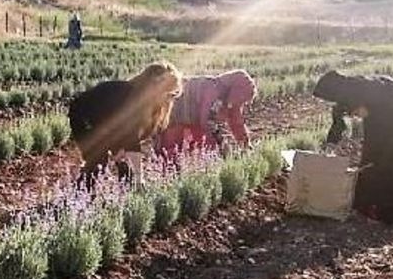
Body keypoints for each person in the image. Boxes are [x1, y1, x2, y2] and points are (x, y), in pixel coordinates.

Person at [314, 70, 393, 226]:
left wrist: (362, 111)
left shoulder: (366, 88)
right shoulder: (349, 91)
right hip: (386, 118)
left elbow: (374, 109)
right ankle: (371, 204)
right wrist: (331, 144)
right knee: (375, 156)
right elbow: (339, 120)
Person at [69, 62, 183, 190]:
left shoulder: (153, 106)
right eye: (168, 94)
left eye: (173, 95)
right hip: (84, 116)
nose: (170, 99)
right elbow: (131, 140)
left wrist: (120, 153)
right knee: (98, 159)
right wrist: (140, 178)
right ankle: (79, 196)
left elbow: (130, 137)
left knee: (124, 165)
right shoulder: (132, 98)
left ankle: (125, 194)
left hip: (107, 123)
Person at [157, 69, 257, 157]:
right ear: (237, 91)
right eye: (243, 99)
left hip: (195, 118)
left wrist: (246, 145)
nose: (242, 103)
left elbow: (236, 121)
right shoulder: (214, 92)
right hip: (175, 110)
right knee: (171, 149)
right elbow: (208, 122)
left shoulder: (230, 98)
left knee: (201, 149)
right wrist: (222, 147)